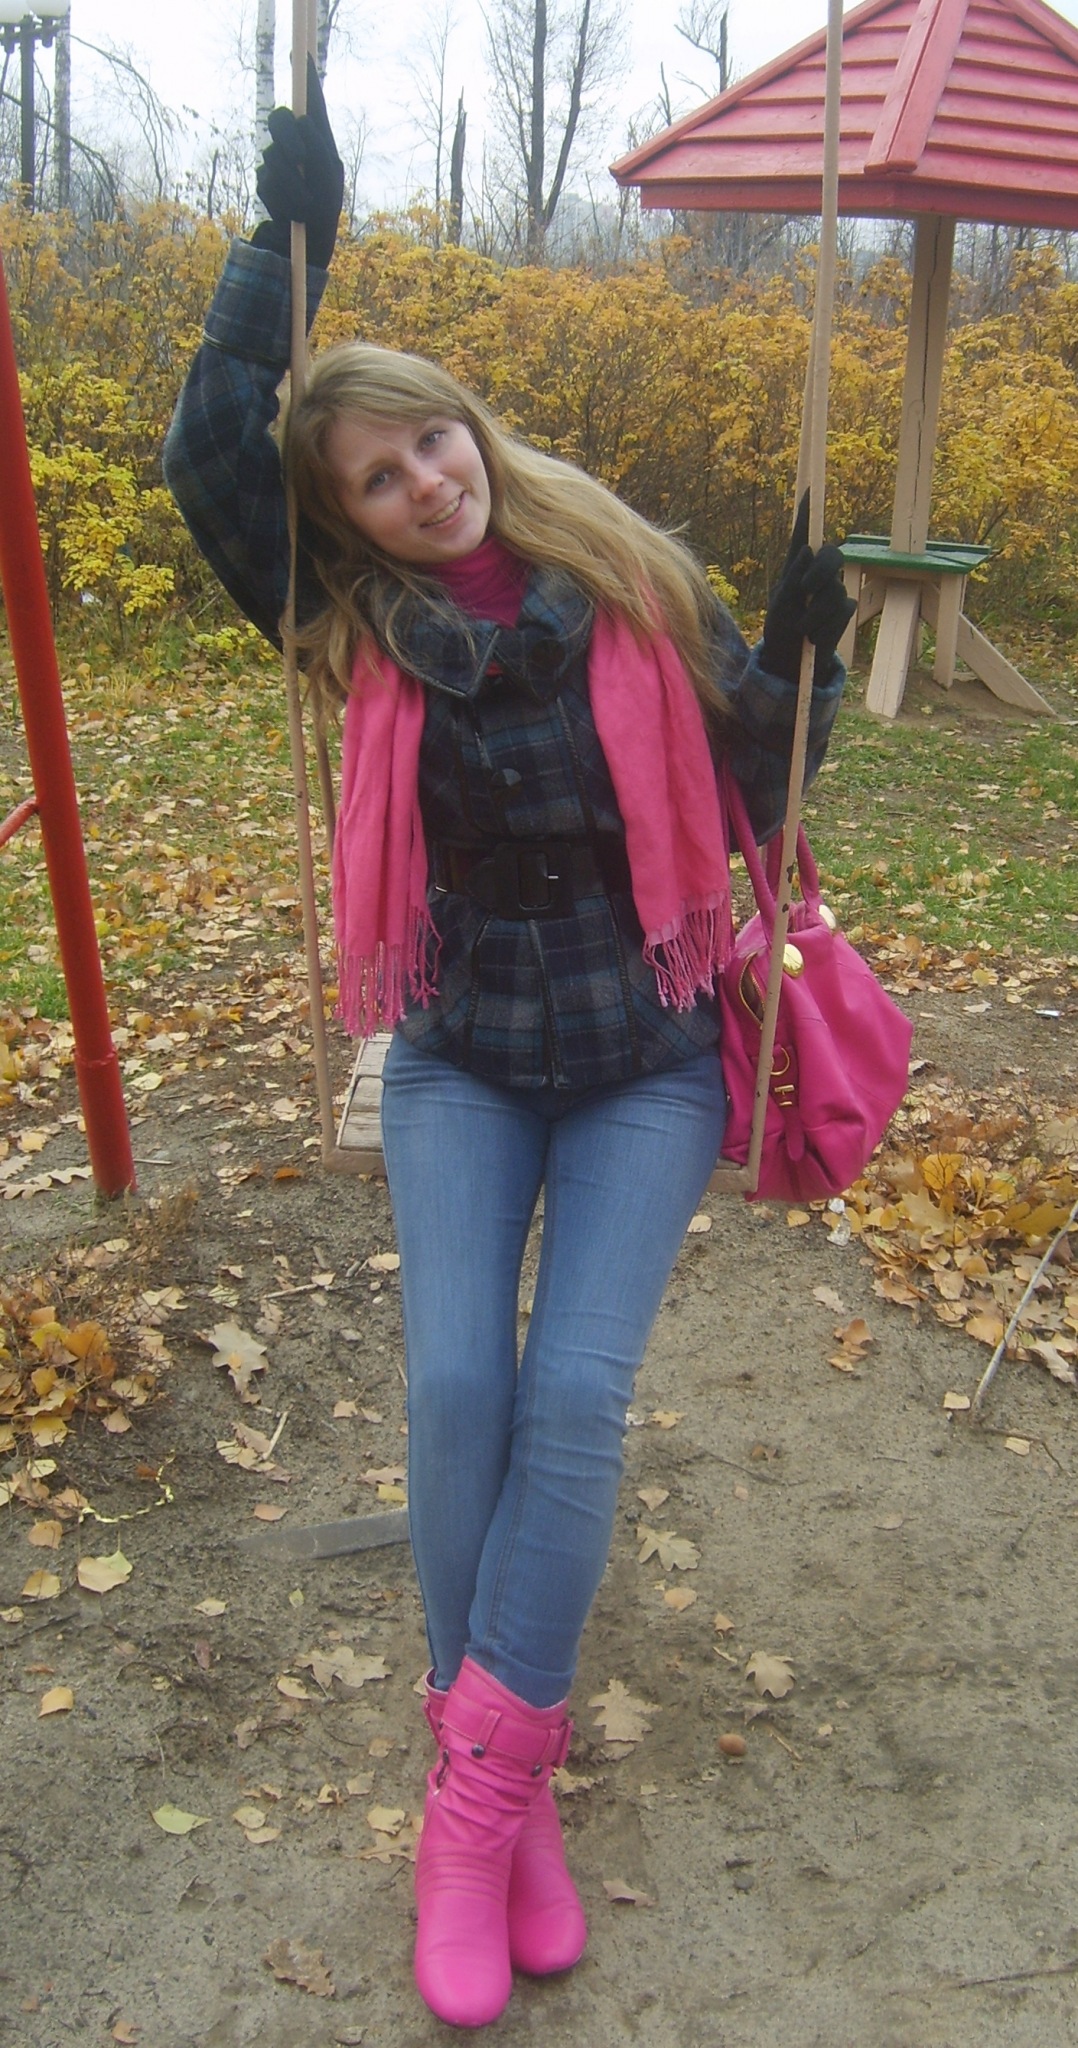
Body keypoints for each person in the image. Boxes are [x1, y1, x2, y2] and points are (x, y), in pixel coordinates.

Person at [164, 65, 854, 2032]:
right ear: (346, 519)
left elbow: (755, 791)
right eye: (375, 477)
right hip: (463, 1054)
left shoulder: (628, 571)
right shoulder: (352, 625)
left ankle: (475, 1800)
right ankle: (507, 1773)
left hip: (645, 1055)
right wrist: (271, 260)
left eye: (429, 442)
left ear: (473, 428)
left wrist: (797, 668)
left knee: (572, 1401)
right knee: (461, 1385)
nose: (421, 484)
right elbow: (211, 457)